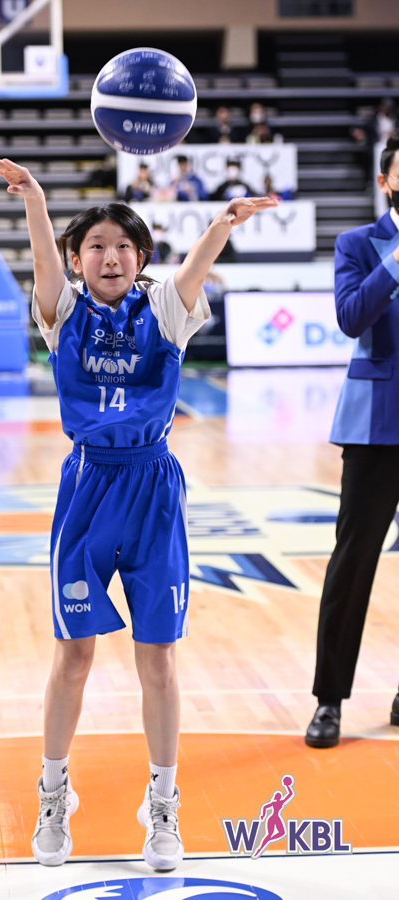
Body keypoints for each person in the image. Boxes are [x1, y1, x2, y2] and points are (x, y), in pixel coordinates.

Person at [0, 154, 276, 870]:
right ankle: (54, 793)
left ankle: (163, 804)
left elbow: (195, 269)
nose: (109, 257)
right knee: (73, 655)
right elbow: (42, 261)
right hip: (88, 486)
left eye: (122, 246)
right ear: (77, 260)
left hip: (152, 488)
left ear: (141, 257)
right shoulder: (64, 313)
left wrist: (222, 223)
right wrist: (35, 200)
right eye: (95, 246)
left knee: (159, 658)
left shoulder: (165, 311)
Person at [305, 130, 399, 749]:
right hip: (375, 429)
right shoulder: (358, 244)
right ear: (385, 181)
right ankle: (329, 700)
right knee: (353, 563)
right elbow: (350, 317)